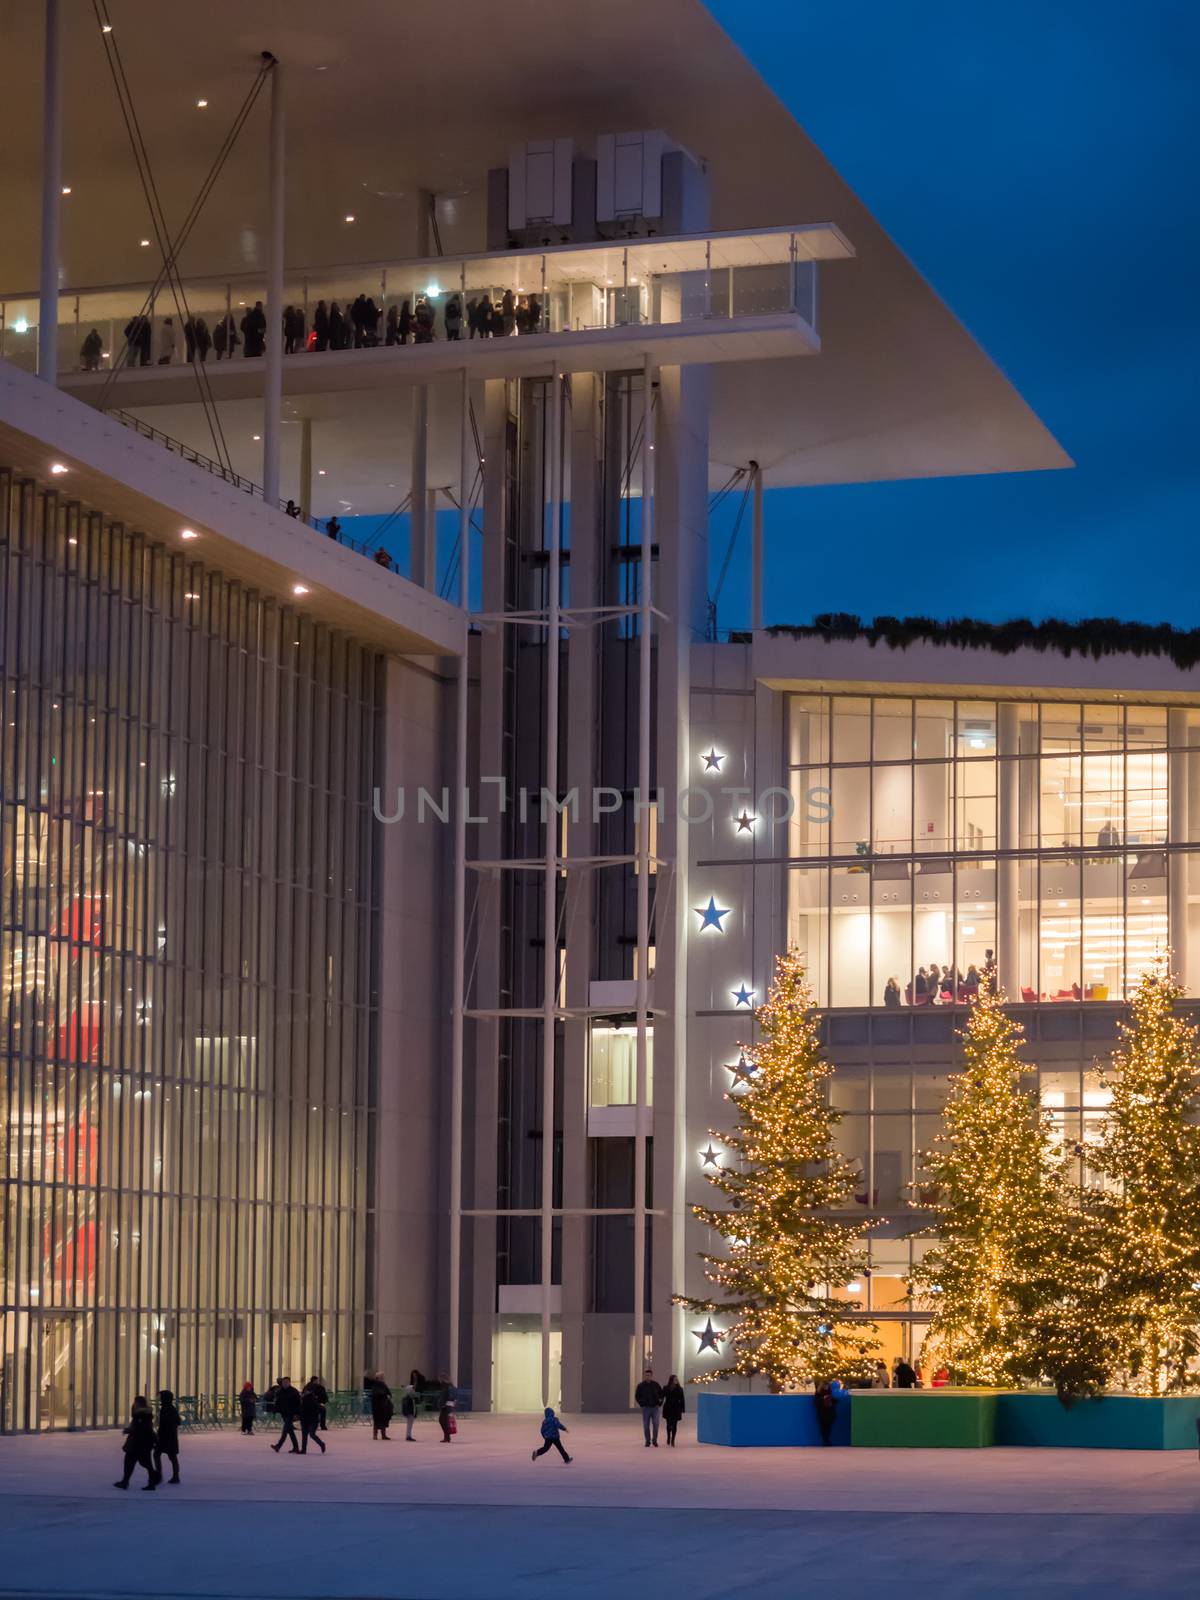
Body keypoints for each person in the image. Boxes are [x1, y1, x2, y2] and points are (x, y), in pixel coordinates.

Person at [114, 1396, 158, 1489]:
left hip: (139, 1443)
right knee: (139, 1462)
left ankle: (152, 1481)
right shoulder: (142, 1414)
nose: (134, 1404)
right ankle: (151, 1481)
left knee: (138, 1462)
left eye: (135, 1402)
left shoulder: (141, 1415)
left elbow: (141, 1429)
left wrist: (129, 1430)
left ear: (139, 1404)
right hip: (142, 1442)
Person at [155, 1389, 181, 1483]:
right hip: (172, 1437)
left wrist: (158, 1435)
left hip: (164, 1437)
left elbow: (163, 1424)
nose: (160, 1399)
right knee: (172, 1456)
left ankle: (159, 1475)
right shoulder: (172, 1408)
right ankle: (175, 1476)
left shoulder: (165, 1409)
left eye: (161, 1397)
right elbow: (179, 1421)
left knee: (157, 1454)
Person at [270, 1375, 302, 1453]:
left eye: (287, 1382)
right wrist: (275, 1411)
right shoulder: (279, 1392)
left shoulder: (294, 1391)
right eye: (284, 1382)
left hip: (291, 1414)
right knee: (290, 1431)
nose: (285, 1384)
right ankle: (296, 1447)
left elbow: (298, 1403)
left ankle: (278, 1446)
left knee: (285, 1431)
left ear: (289, 1383)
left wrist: (297, 1414)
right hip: (284, 1413)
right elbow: (277, 1402)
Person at [635, 1367, 664, 1448]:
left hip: (655, 1408)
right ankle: (647, 1441)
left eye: (649, 1375)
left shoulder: (656, 1385)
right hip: (646, 1409)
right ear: (645, 1376)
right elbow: (637, 1396)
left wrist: (660, 1403)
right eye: (646, 1375)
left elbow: (661, 1394)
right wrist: (642, 1404)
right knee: (646, 1426)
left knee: (656, 1424)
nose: (647, 1376)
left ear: (651, 1376)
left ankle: (654, 1440)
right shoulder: (641, 1385)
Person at [300, 1381, 327, 1454]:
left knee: (311, 1434)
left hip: (312, 1419)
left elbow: (318, 1409)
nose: (305, 1391)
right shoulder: (303, 1398)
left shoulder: (310, 1399)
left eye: (306, 1390)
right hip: (306, 1418)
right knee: (305, 1435)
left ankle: (321, 1444)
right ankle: (303, 1449)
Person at [661, 1374, 685, 1447]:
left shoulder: (680, 1389)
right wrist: (659, 1402)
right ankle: (668, 1436)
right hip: (668, 1408)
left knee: (674, 1425)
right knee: (668, 1424)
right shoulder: (665, 1388)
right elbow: (662, 1396)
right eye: (675, 1379)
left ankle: (673, 1440)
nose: (676, 1381)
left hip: (676, 1408)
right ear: (671, 1380)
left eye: (677, 1379)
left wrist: (682, 1409)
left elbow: (682, 1399)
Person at [813, 1381, 837, 1447]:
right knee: (823, 1427)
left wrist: (833, 1400)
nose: (827, 1387)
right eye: (825, 1386)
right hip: (822, 1412)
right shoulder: (818, 1393)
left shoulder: (830, 1392)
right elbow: (816, 1402)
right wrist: (823, 1399)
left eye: (828, 1386)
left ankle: (826, 1440)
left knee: (828, 1428)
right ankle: (825, 1441)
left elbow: (834, 1401)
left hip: (829, 1412)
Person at [370, 1372, 393, 1440]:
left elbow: (388, 1393)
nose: (383, 1378)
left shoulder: (383, 1385)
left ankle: (383, 1435)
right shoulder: (375, 1385)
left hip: (383, 1405)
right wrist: (385, 1395)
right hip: (377, 1406)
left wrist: (388, 1396)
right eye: (382, 1377)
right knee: (377, 1420)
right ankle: (375, 1435)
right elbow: (376, 1394)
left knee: (384, 1420)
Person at [437, 1375, 457, 1443]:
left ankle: (447, 1436)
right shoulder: (451, 1386)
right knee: (445, 1421)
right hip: (450, 1406)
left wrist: (441, 1405)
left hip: (445, 1406)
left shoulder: (445, 1386)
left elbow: (443, 1397)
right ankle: (447, 1436)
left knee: (442, 1421)